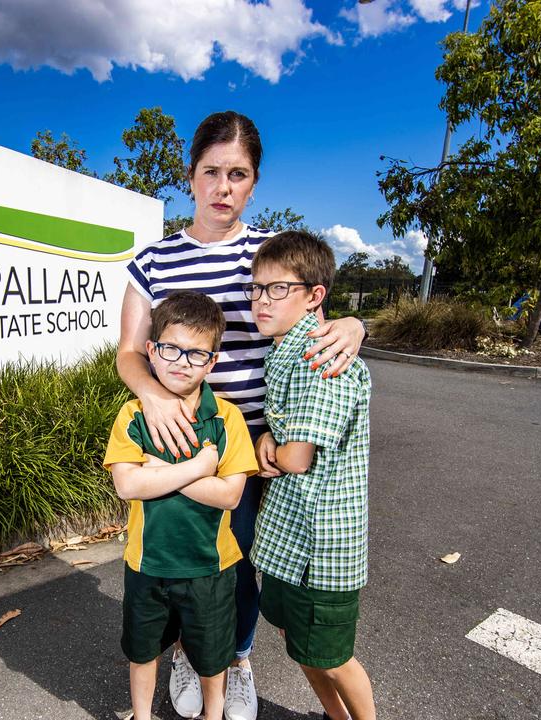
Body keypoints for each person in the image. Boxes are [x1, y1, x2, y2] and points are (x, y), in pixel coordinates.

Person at [116, 110, 366, 720]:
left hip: (257, 444)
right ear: (191, 176)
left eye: (238, 174)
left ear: (254, 183)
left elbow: (315, 313)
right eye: (211, 172)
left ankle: (236, 656)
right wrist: (153, 395)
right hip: (178, 436)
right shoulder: (151, 262)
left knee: (244, 565)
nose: (222, 188)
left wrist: (356, 325)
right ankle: (186, 652)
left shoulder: (268, 255)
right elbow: (128, 353)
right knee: (182, 561)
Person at [104, 290, 260, 720]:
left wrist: (162, 471)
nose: (181, 361)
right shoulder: (133, 414)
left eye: (196, 354)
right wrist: (200, 467)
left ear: (212, 361)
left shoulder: (226, 418)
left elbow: (230, 495)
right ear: (151, 350)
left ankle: (214, 714)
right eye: (170, 348)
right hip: (147, 564)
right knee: (142, 650)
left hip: (210, 566)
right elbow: (128, 485)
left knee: (213, 656)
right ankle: (142, 713)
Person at [248, 231, 375, 720]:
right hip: (289, 538)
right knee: (300, 644)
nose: (262, 300)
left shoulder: (323, 357)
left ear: (314, 296)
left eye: (277, 289)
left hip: (321, 548)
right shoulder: (282, 351)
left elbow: (296, 458)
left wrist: (270, 446)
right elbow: (284, 447)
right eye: (256, 289)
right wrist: (268, 443)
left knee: (334, 656)